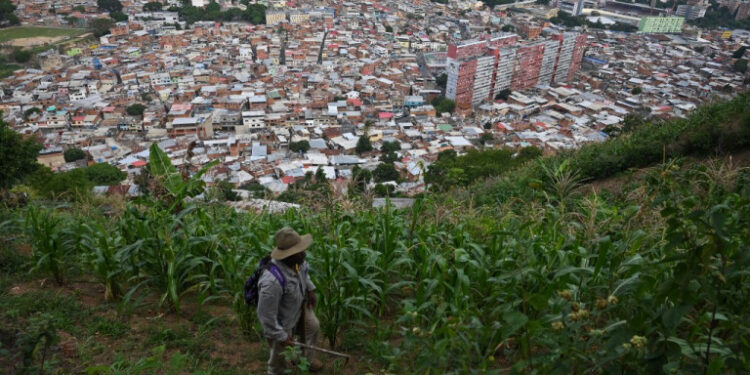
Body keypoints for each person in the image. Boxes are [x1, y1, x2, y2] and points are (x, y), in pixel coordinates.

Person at [257, 227, 323, 374]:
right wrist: (281, 335)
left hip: (298, 307)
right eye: (300, 251)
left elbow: (304, 274)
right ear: (289, 255)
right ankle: (276, 371)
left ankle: (306, 359)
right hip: (281, 321)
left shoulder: (299, 262)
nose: (304, 252)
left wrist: (310, 289)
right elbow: (266, 315)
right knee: (278, 357)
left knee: (313, 327)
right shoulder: (271, 281)